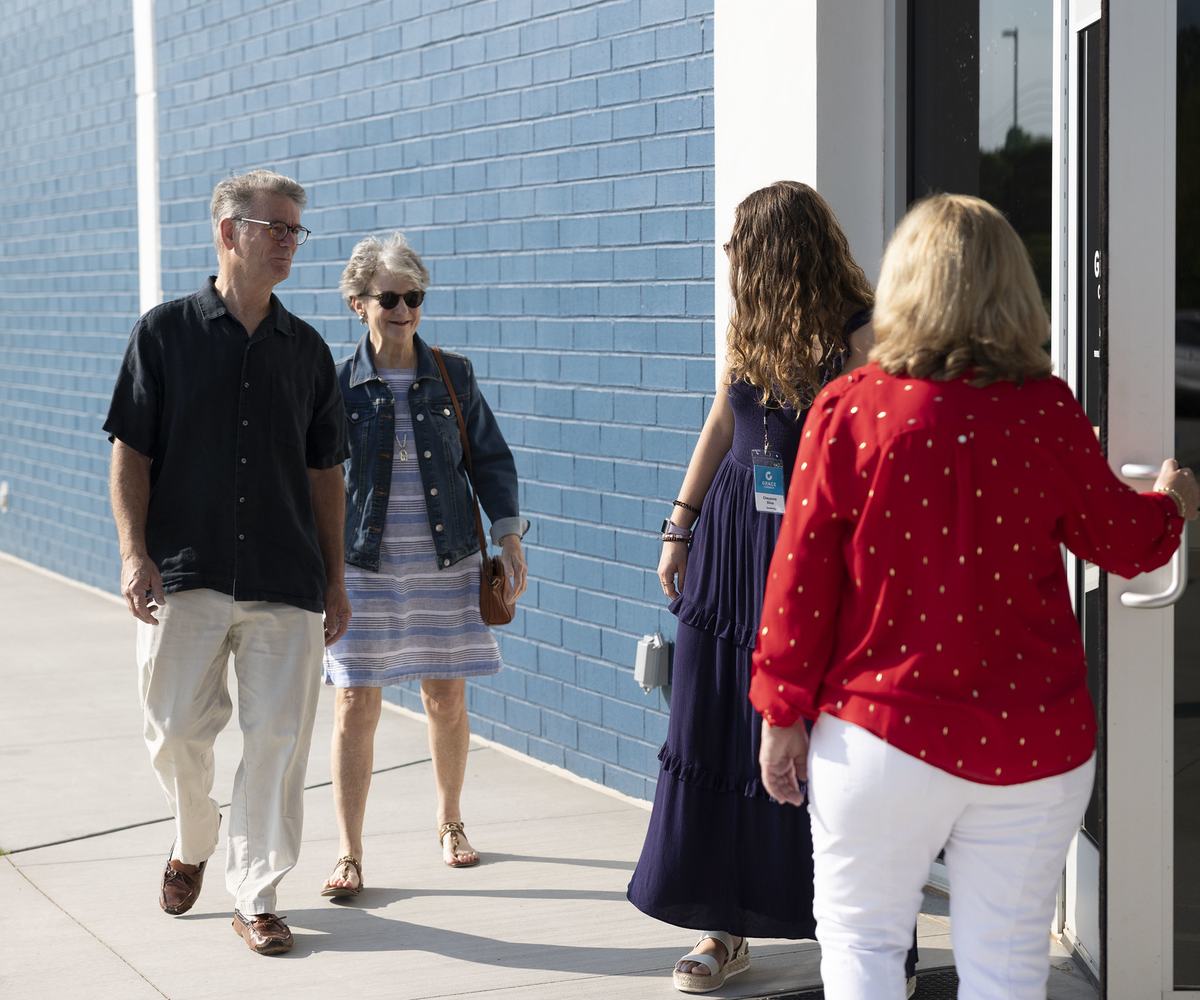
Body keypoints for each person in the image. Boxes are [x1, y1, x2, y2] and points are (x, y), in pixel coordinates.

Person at [752, 193, 1200, 1000]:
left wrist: (781, 714)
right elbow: (1125, 541)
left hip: (879, 737)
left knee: (861, 952)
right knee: (1007, 966)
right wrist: (1172, 504)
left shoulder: (849, 410)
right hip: (1033, 742)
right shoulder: (1046, 412)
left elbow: (800, 585)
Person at [627, 181, 918, 996]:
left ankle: (861, 931)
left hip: (817, 552)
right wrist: (679, 524)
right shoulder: (753, 326)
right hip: (732, 548)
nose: (729, 261)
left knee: (823, 746)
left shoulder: (865, 331)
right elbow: (725, 418)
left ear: (776, 251)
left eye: (739, 247)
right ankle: (724, 928)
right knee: (718, 728)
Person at [104, 169, 350, 956]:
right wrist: (133, 552)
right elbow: (131, 451)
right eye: (274, 226)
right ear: (227, 232)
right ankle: (194, 833)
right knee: (175, 729)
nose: (287, 242)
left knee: (277, 741)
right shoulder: (164, 333)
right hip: (187, 568)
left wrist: (336, 578)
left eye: (294, 230)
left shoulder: (307, 351)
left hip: (286, 576)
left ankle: (257, 892)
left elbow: (326, 475)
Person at [319, 232, 529, 899]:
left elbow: (489, 459)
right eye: (390, 298)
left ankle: (450, 821)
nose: (404, 309)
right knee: (356, 702)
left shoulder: (453, 374)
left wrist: (509, 535)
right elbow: (311, 474)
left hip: (446, 561)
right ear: (359, 304)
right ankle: (349, 852)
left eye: (414, 297)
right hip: (364, 566)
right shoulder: (334, 385)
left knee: (445, 697)